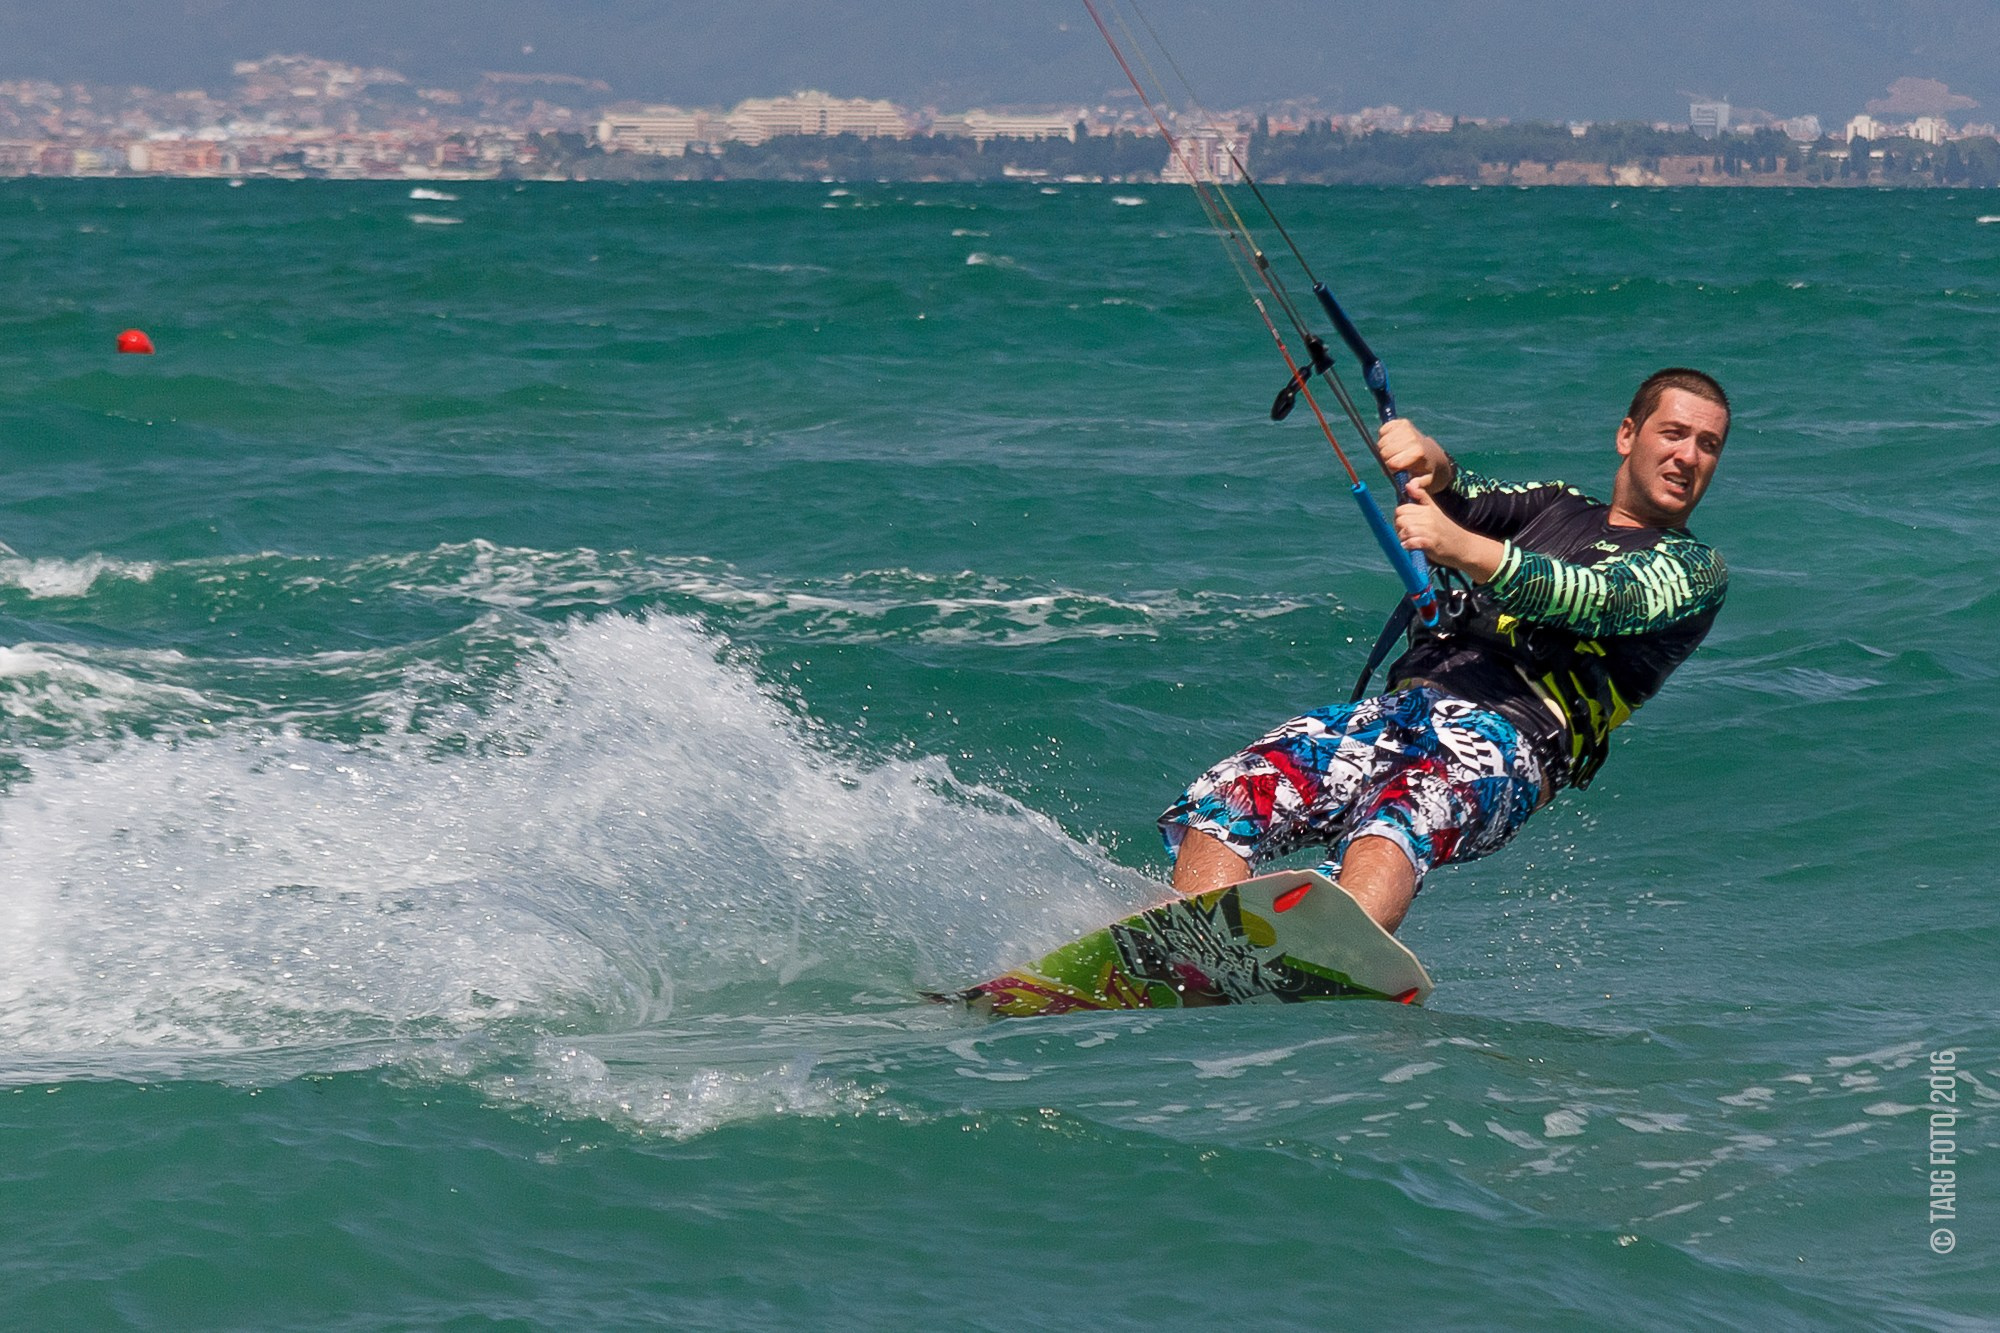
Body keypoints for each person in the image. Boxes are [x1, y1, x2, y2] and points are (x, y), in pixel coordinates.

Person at [1159, 368, 1732, 933]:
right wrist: (1431, 463)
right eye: (1674, 433)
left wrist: (1463, 549)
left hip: (1512, 739)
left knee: (1394, 824)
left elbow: (1598, 598)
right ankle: (1202, 942)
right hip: (1402, 711)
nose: (1688, 456)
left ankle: (1327, 949)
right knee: (1234, 792)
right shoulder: (1557, 505)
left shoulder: (1693, 569)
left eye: (1708, 445)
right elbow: (1468, 500)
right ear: (1628, 434)